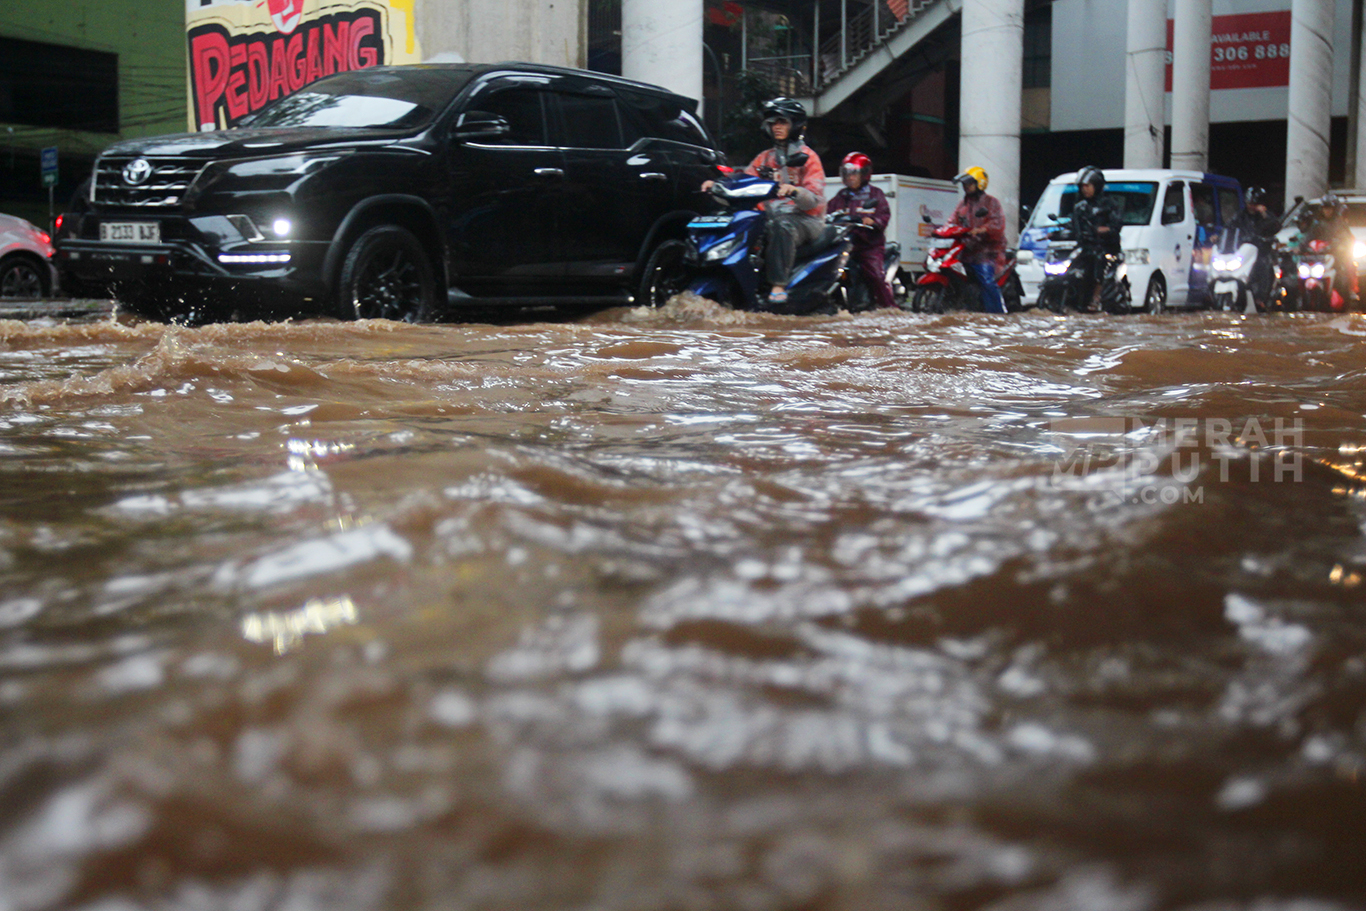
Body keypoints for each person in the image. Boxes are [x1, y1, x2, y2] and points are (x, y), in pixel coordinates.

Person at [702, 98, 825, 306]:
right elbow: (741, 181)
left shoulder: (808, 157)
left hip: (806, 219)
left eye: (782, 122)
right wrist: (716, 186)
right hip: (770, 216)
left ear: (794, 125)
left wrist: (795, 191)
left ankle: (778, 284)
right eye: (773, 123)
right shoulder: (764, 158)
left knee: (782, 226)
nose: (776, 127)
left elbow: (813, 199)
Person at [827, 151, 896, 309]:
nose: (849, 177)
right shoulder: (841, 196)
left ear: (864, 174)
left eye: (854, 174)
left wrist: (873, 221)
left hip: (868, 245)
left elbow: (884, 214)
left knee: (876, 275)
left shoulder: (875, 194)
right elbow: (828, 213)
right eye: (847, 174)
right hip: (844, 245)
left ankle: (891, 309)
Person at [950, 166, 1007, 314]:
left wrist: (982, 229)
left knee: (987, 281)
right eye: (964, 184)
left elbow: (997, 223)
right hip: (966, 250)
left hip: (986, 252)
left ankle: (997, 314)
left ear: (979, 184)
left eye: (969, 183)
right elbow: (952, 221)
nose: (966, 187)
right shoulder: (963, 204)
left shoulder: (991, 202)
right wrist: (942, 230)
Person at [1069, 165, 1123, 310]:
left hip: (1106, 249)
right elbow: (1074, 226)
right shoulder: (1080, 207)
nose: (1085, 189)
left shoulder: (1109, 205)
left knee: (1099, 260)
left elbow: (1116, 225)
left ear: (1097, 186)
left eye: (1088, 186)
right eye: (1082, 186)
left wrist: (1103, 230)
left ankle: (1097, 296)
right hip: (1085, 248)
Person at [1224, 186, 1280, 306]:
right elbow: (1229, 227)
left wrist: (1264, 213)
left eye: (1254, 203)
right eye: (1249, 203)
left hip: (1261, 251)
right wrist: (1219, 237)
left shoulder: (1265, 216)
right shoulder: (1240, 215)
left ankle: (1261, 298)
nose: (1251, 206)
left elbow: (1276, 226)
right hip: (1242, 251)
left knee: (1263, 265)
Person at [1302, 192, 1358, 307]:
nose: (1327, 211)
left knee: (1345, 273)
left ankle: (1350, 293)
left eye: (1329, 209)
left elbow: (1347, 239)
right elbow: (1308, 237)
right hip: (1319, 258)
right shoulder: (1317, 223)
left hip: (1336, 258)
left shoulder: (1340, 223)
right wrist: (1301, 247)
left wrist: (1339, 246)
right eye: (1325, 208)